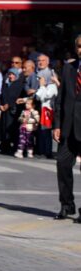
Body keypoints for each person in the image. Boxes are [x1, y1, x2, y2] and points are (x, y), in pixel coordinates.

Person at [53, 35, 81, 220]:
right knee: (62, 164)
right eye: (79, 46)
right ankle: (66, 204)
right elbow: (60, 99)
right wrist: (57, 125)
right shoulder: (69, 68)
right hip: (68, 127)